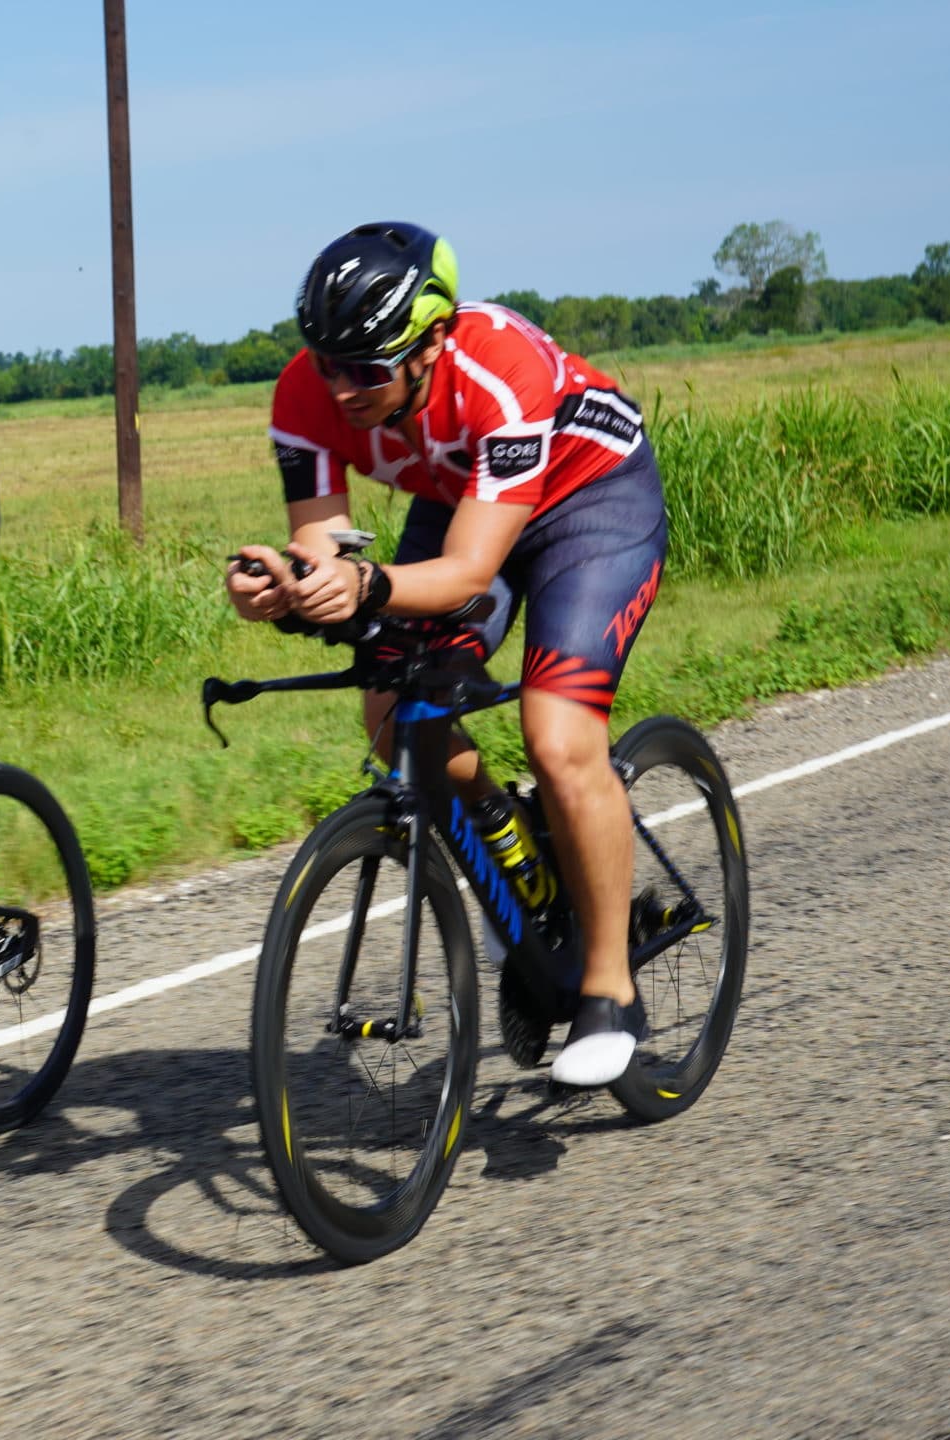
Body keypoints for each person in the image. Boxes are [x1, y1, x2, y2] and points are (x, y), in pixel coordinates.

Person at [225, 222, 669, 1087]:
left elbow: (468, 572)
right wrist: (283, 589)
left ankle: (609, 990)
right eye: (327, 364)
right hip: (466, 498)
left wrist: (368, 589)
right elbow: (327, 550)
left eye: (367, 369)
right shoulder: (304, 397)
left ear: (432, 342)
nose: (342, 389)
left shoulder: (500, 372)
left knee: (558, 733)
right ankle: (525, 856)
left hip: (589, 505)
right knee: (397, 714)